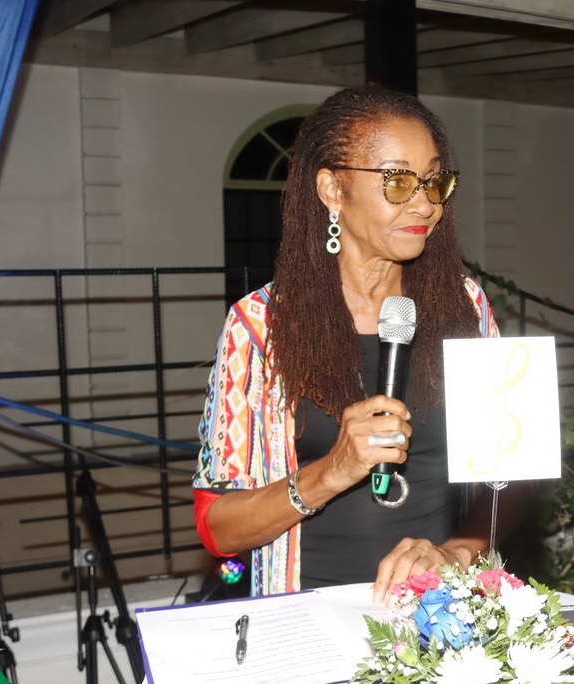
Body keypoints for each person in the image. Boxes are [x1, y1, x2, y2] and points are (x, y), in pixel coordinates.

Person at [193, 85, 514, 602]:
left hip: (439, 616)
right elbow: (219, 528)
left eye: (434, 181)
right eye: (398, 181)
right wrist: (331, 472)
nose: (425, 203)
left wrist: (456, 554)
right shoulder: (259, 326)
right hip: (306, 620)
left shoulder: (467, 307)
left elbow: (513, 476)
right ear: (332, 189)